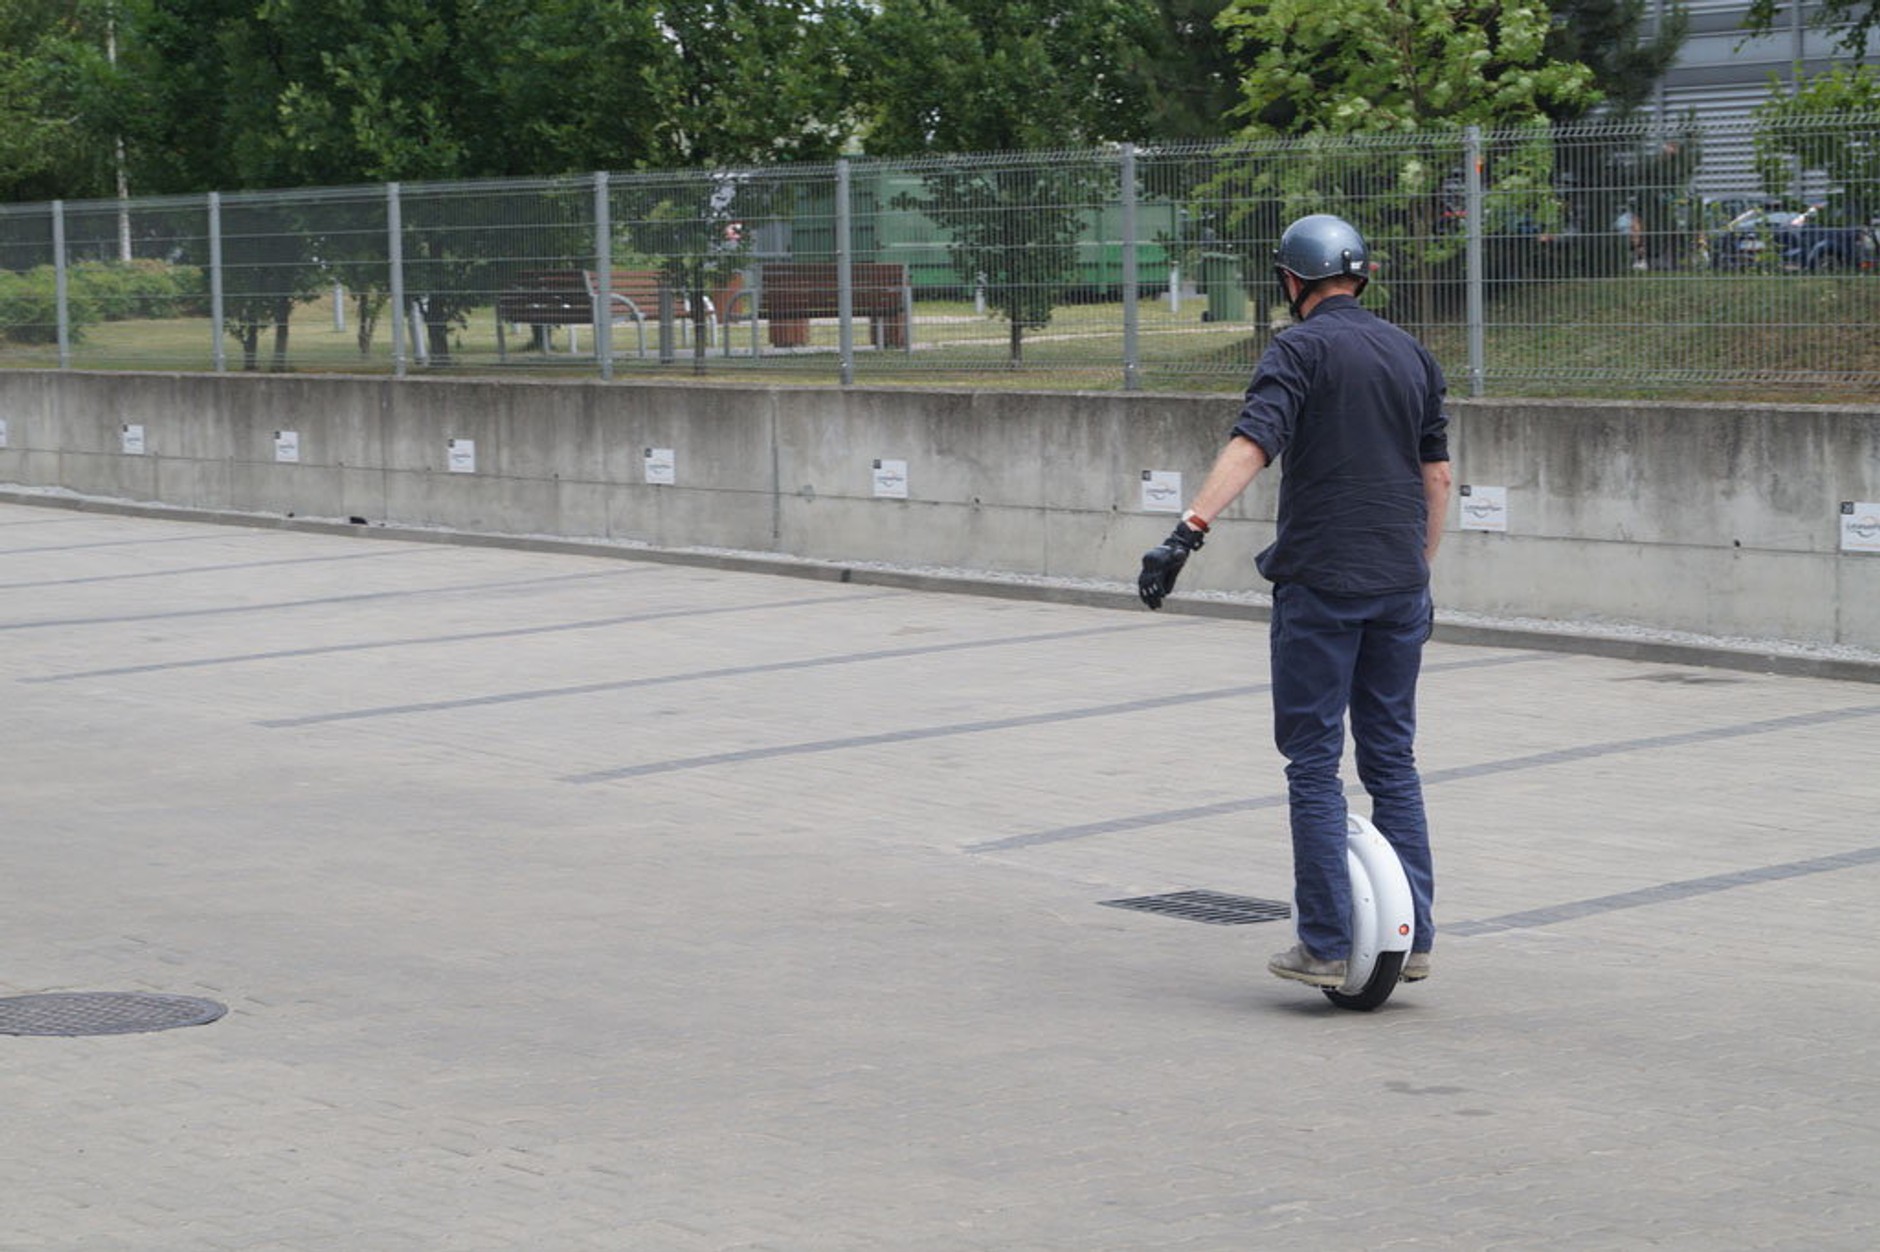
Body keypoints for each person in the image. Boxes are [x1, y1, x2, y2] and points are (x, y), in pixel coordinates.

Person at [1136, 213, 1453, 991]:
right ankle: (1414, 943)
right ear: (1360, 277)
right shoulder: (1413, 354)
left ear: (1291, 281)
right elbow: (1438, 477)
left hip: (1321, 583)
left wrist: (1187, 531)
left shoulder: (1298, 348)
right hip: (1399, 586)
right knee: (1392, 760)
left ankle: (1326, 942)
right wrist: (1418, 571)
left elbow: (1253, 442)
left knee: (1314, 762)